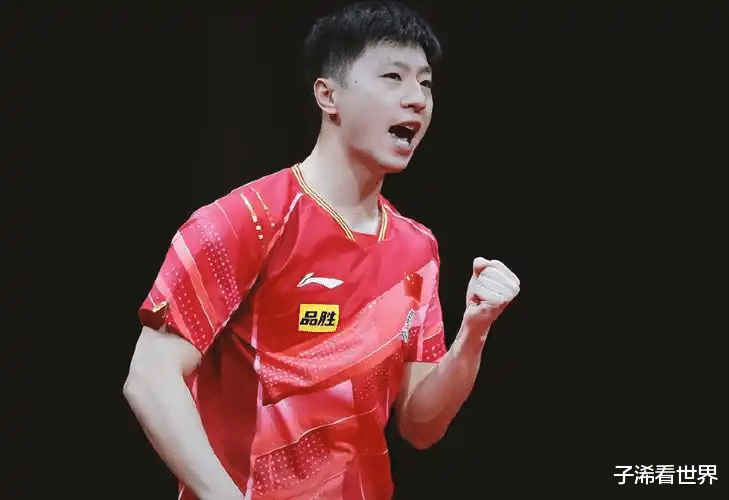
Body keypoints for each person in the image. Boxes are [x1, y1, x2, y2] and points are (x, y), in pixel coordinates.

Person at [123, 2, 520, 499]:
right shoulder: (248, 220)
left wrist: (473, 334)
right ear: (328, 95)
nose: (417, 99)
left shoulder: (417, 249)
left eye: (425, 83)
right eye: (393, 77)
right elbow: (151, 377)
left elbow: (421, 426)